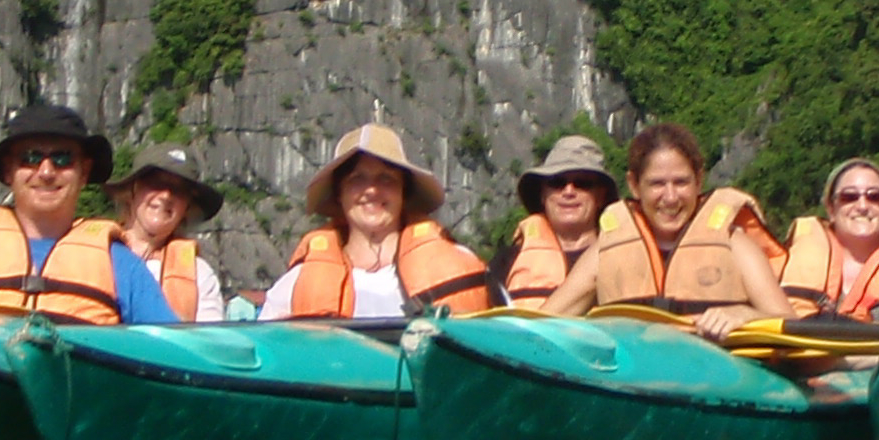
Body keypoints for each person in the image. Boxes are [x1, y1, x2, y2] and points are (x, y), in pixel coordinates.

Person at [0, 104, 179, 323]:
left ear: (84, 172)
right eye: (31, 158)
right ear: (9, 171)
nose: (46, 172)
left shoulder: (123, 266)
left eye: (62, 158)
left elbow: (171, 351)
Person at [542, 122, 789, 342]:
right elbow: (543, 323)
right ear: (634, 185)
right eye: (657, 184)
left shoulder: (735, 244)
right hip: (636, 372)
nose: (670, 197)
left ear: (699, 181)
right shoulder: (605, 252)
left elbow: (788, 321)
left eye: (681, 182)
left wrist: (745, 315)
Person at [260, 125, 496, 320]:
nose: (371, 190)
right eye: (357, 179)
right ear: (339, 194)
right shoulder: (294, 285)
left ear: (403, 193)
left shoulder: (460, 261)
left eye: (386, 179)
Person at [779, 158, 879, 320]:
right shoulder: (787, 262)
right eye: (849, 196)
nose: (863, 206)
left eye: (874, 197)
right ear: (831, 209)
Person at [109, 144, 228, 321]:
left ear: (187, 206)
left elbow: (210, 335)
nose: (166, 195)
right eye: (155, 183)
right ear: (132, 190)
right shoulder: (97, 254)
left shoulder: (200, 274)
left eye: (179, 190)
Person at [497, 135, 616, 309]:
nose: (568, 192)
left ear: (600, 197)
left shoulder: (620, 258)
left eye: (582, 183)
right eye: (557, 183)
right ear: (543, 195)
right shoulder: (507, 261)